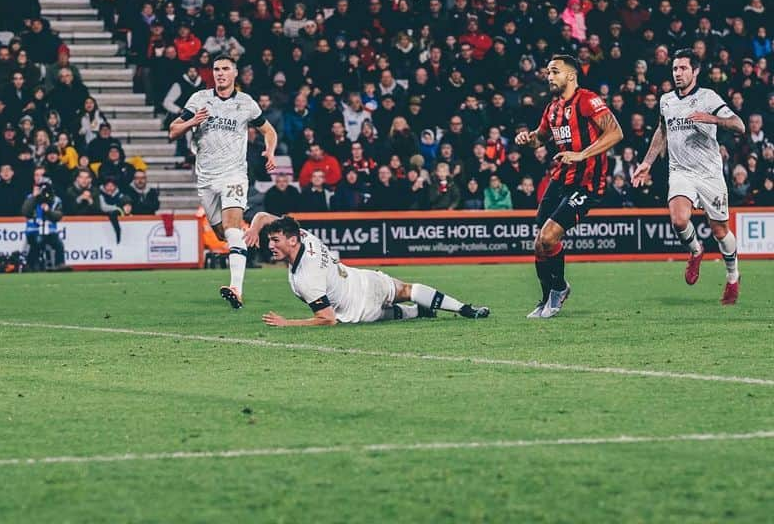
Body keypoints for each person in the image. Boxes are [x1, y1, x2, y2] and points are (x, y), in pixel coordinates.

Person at [632, 49, 746, 304]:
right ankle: (695, 250)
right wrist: (647, 163)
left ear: (695, 71)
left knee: (720, 230)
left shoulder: (708, 97)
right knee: (679, 219)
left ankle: (732, 277)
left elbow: (740, 125)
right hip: (681, 171)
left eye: (683, 68)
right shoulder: (666, 101)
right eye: (675, 69)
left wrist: (712, 119)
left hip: (709, 174)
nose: (678, 73)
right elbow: (662, 131)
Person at [514, 55, 622, 318]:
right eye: (548, 72)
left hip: (587, 183)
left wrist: (582, 154)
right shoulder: (552, 108)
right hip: (561, 178)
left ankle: (558, 291)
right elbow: (540, 139)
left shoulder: (587, 100)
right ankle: (548, 296)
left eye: (555, 71)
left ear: (571, 76)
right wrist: (527, 139)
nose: (549, 76)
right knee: (540, 242)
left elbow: (616, 132)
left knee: (549, 237)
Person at [168, 54, 278, 309]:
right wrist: (192, 122)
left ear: (235, 73)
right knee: (223, 234)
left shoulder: (246, 103)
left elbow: (268, 130)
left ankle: (236, 288)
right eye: (216, 69)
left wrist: (269, 151)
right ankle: (246, 239)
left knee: (231, 227)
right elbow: (173, 130)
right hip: (206, 179)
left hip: (234, 175)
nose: (220, 73)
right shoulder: (199, 99)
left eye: (225, 69)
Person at [246, 213, 489, 325]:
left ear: (291, 240)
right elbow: (263, 216)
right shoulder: (305, 236)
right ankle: (464, 309)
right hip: (364, 281)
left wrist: (287, 323)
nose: (270, 246)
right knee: (406, 290)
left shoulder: (305, 278)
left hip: (359, 312)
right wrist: (255, 229)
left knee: (398, 313)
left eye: (275, 240)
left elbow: (327, 319)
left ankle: (421, 313)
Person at [22, 179, 68, 272]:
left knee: (59, 244)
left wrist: (48, 211)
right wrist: (34, 198)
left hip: (50, 231)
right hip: (34, 230)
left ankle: (60, 264)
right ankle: (31, 265)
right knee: (36, 243)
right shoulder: (30, 198)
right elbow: (25, 212)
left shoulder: (56, 200)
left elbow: (58, 216)